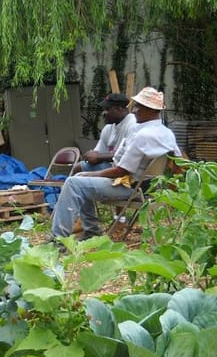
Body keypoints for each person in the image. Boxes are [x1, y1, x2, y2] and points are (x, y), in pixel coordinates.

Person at [49, 87, 181, 242]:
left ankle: (59, 240)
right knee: (80, 178)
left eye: (138, 107)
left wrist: (90, 174)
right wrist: (173, 192)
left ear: (151, 110)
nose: (135, 110)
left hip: (130, 187)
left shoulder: (142, 135)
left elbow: (121, 170)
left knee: (74, 182)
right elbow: (178, 162)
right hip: (151, 187)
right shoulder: (166, 133)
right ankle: (90, 230)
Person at [75, 93, 137, 173]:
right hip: (110, 166)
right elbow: (98, 152)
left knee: (79, 168)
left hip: (125, 170)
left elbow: (128, 154)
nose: (103, 113)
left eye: (107, 109)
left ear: (119, 109)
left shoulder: (133, 123)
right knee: (80, 167)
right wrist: (91, 155)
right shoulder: (108, 128)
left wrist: (98, 157)